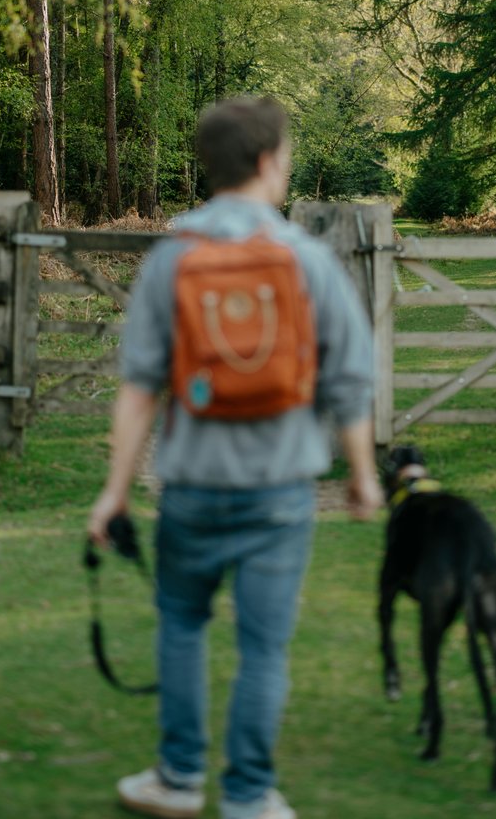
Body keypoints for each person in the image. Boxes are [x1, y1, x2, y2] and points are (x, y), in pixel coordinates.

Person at [88, 95, 383, 819]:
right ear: (266, 162)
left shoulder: (170, 260)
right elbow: (349, 382)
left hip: (190, 485)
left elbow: (139, 389)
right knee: (264, 648)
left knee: (182, 625)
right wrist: (362, 477)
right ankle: (249, 797)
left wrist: (115, 491)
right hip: (280, 490)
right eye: (284, 157)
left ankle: (178, 779)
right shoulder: (308, 261)